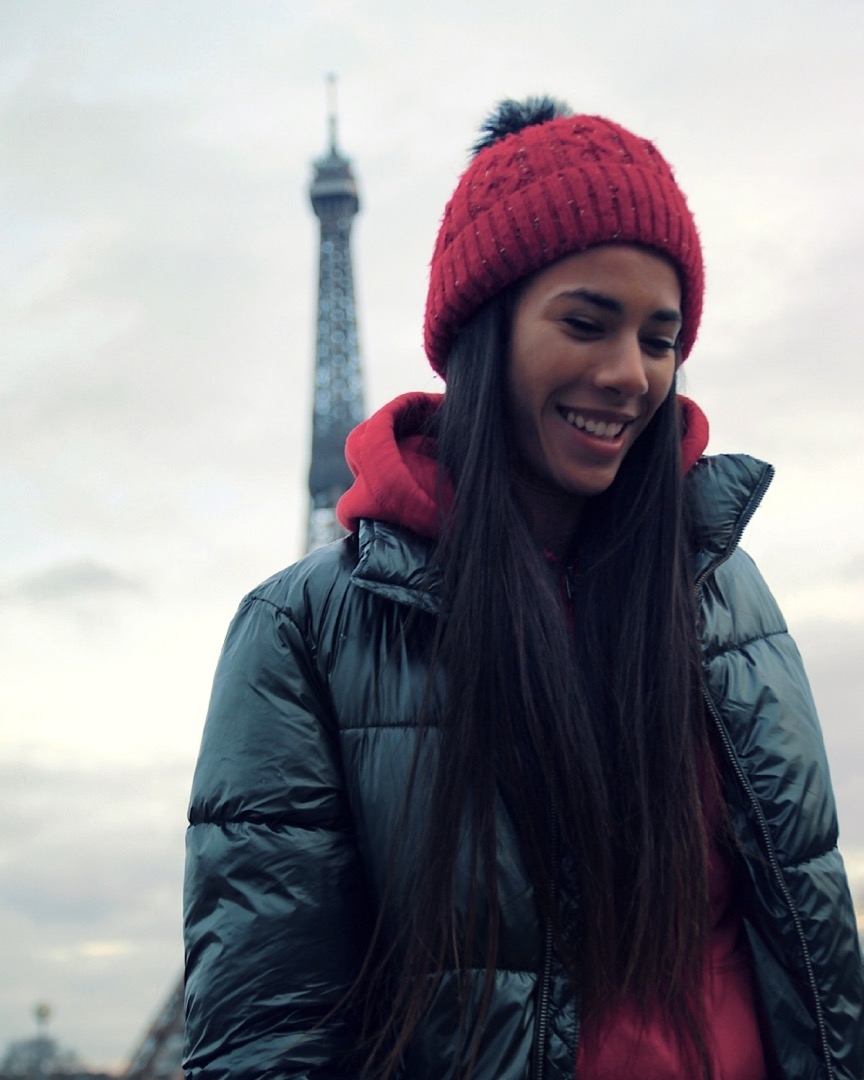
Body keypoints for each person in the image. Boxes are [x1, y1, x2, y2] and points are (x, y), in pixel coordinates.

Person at [182, 98, 864, 1080]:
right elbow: (269, 1036)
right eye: (586, 323)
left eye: (661, 339)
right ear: (483, 330)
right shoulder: (302, 631)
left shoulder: (727, 594)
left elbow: (813, 952)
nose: (630, 374)